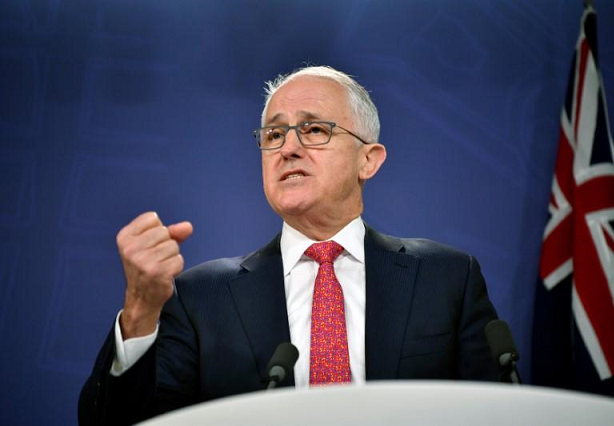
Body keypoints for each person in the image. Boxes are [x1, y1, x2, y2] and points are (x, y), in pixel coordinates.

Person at [78, 66, 500, 425]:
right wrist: (139, 310)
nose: (289, 148)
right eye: (274, 134)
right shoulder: (199, 297)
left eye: (314, 129)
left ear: (368, 160)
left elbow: (497, 412)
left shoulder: (446, 278)